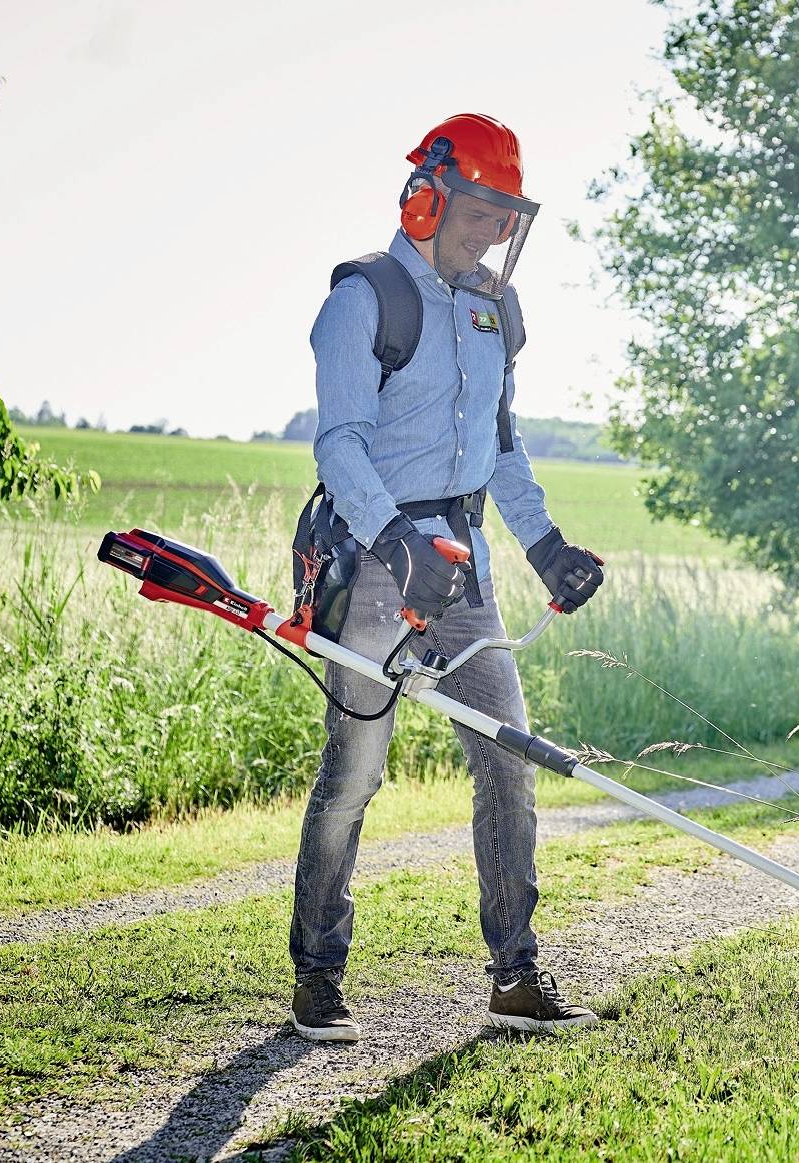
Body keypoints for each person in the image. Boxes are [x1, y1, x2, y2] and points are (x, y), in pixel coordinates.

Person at [288, 112, 606, 1041]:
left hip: (466, 570)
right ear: (427, 196)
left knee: (507, 757)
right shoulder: (366, 300)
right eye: (480, 212)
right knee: (354, 774)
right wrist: (397, 542)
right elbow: (339, 445)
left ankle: (516, 973)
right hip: (377, 561)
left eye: (508, 216)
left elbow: (499, 451)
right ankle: (317, 974)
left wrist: (546, 545)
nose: (494, 233)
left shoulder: (490, 311)